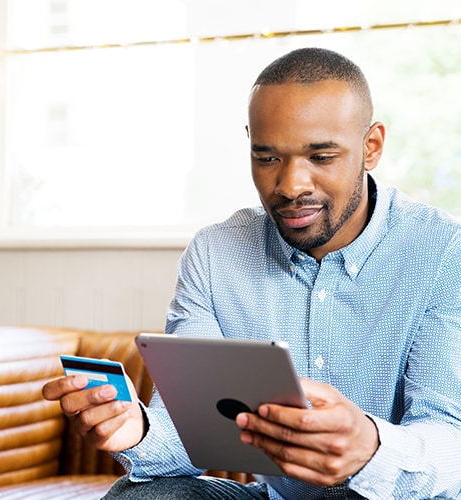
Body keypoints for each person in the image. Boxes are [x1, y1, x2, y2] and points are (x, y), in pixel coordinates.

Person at [43, 47, 461, 499]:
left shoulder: (443, 252)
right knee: (144, 495)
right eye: (267, 158)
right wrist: (137, 428)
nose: (290, 186)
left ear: (371, 146)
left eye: (320, 157)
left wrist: (371, 450)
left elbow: (450, 438)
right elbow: (191, 437)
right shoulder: (215, 253)